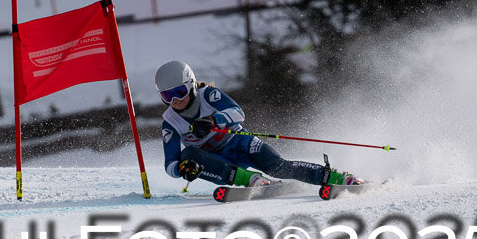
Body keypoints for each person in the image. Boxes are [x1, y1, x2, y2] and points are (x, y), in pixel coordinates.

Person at [155, 60, 362, 188]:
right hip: (218, 163)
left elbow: (238, 113)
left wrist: (212, 120)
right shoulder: (170, 123)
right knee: (188, 156)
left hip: (240, 144)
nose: (174, 100)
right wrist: (182, 169)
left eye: (179, 92)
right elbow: (170, 164)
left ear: (190, 84)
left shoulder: (209, 95)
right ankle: (248, 178)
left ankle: (333, 176)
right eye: (167, 96)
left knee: (278, 167)